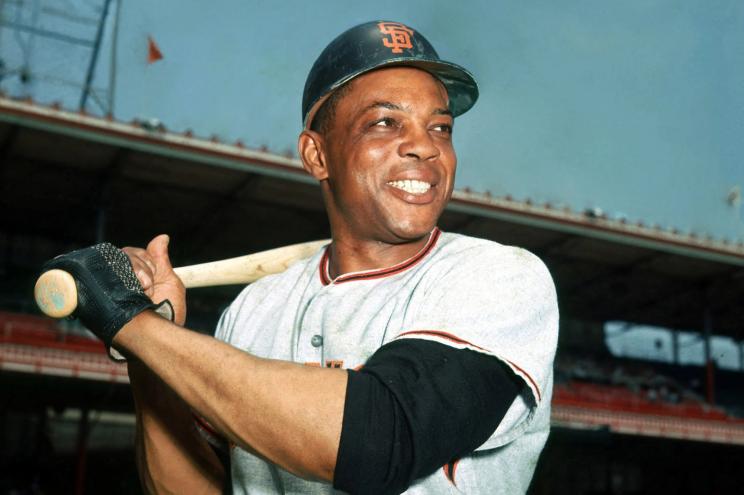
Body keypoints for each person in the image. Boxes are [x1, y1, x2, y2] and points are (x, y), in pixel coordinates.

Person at [43, 20, 558, 494]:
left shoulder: (499, 277)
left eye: (440, 127)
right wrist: (150, 355)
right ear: (316, 155)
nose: (424, 147)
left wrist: (130, 324)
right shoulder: (254, 308)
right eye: (384, 123)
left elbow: (380, 438)